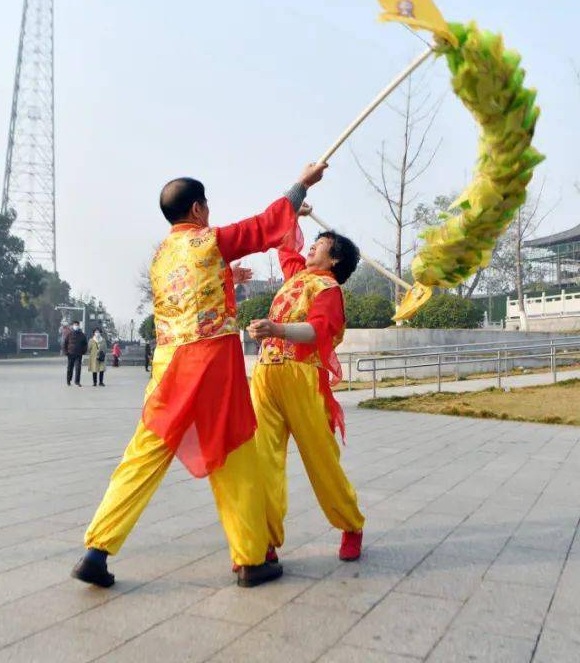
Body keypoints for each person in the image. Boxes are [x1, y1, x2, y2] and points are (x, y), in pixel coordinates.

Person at [71, 162, 326, 590]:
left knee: (144, 454)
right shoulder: (209, 241)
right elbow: (262, 227)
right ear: (197, 209)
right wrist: (301, 185)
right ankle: (250, 558)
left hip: (168, 366)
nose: (210, 213)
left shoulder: (160, 257)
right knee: (234, 452)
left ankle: (97, 550)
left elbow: (192, 291)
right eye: (206, 206)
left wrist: (230, 274)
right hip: (210, 363)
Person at [246, 206, 366, 565]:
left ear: (335, 260)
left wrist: (277, 329)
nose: (312, 247)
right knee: (262, 459)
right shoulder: (295, 276)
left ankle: (351, 524)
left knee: (321, 460)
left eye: (322, 244)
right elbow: (286, 245)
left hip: (303, 378)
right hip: (265, 376)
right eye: (313, 242)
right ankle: (265, 540)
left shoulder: (329, 290)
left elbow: (317, 333)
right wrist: (293, 214)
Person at [62, 321, 88, 387]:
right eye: (75, 325)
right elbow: (65, 343)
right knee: (70, 368)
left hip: (79, 354)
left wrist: (84, 351)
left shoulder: (82, 334)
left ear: (79, 326)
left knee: (78, 368)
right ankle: (68, 381)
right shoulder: (69, 334)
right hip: (70, 354)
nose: (76, 326)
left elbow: (85, 344)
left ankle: (77, 381)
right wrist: (66, 352)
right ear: (72, 326)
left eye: (77, 325)